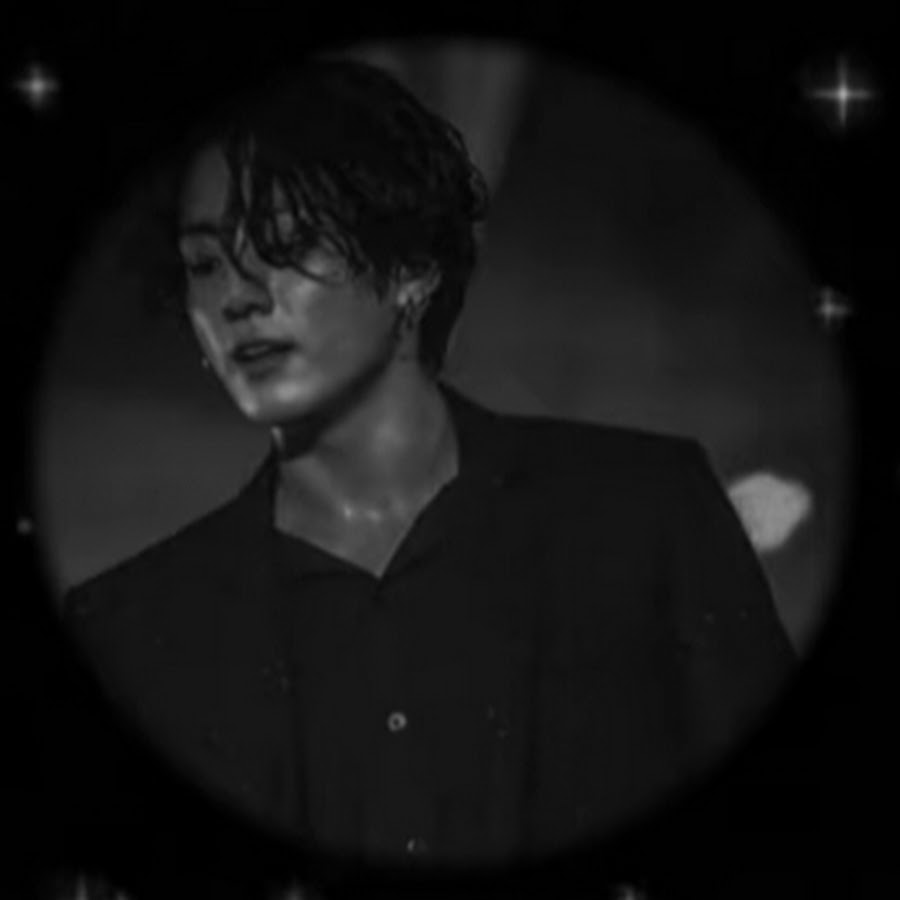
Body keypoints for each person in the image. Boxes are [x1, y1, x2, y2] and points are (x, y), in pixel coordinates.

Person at [61, 56, 796, 870]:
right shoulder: (127, 629)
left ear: (412, 269)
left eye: (286, 242)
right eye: (204, 263)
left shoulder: (645, 513)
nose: (237, 295)